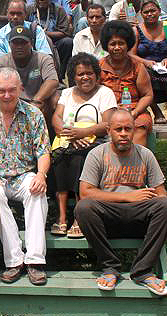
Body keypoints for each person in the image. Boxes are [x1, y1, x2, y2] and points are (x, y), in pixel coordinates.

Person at [76, 108, 167, 296]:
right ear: (109, 131)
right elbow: (85, 192)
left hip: (138, 217)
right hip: (108, 219)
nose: (123, 134)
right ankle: (110, 267)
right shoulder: (97, 154)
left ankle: (143, 271)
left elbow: (162, 194)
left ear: (133, 131)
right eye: (118, 129)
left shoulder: (145, 154)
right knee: (84, 207)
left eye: (128, 129)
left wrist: (149, 200)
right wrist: (127, 197)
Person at [0, 67, 50, 285]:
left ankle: (35, 261)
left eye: (11, 90)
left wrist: (41, 175)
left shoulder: (33, 114)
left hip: (24, 174)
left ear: (20, 88)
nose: (6, 95)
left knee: (37, 191)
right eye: (1, 90)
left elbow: (43, 151)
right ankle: (14, 261)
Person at [50, 53, 117, 238]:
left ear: (96, 74)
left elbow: (107, 125)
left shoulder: (105, 93)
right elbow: (56, 117)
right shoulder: (66, 93)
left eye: (89, 73)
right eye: (80, 74)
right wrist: (69, 134)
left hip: (97, 142)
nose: (85, 77)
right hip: (68, 139)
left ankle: (79, 217)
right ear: (73, 76)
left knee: (82, 158)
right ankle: (62, 217)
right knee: (59, 157)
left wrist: (83, 133)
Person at [130, 0, 167, 124]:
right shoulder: (137, 30)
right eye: (146, 12)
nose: (150, 14)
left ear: (159, 11)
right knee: (143, 74)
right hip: (146, 65)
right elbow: (131, 54)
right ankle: (156, 111)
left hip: (166, 63)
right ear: (141, 14)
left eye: (153, 10)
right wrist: (146, 62)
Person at [0, 25, 58, 123]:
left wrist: (36, 101)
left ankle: (51, 135)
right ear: (9, 44)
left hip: (37, 99)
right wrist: (8, 94)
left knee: (55, 99)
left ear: (31, 43)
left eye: (23, 43)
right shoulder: (0, 61)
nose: (19, 46)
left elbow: (52, 81)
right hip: (10, 99)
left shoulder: (43, 59)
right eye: (15, 43)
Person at [99, 20, 154, 147]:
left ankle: (136, 165)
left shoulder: (138, 67)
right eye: (113, 44)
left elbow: (147, 95)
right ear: (106, 46)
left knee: (139, 126)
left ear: (128, 45)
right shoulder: (99, 67)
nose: (117, 47)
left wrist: (134, 113)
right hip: (107, 114)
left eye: (121, 43)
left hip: (135, 112)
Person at [26, 0, 73, 75]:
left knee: (68, 42)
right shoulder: (29, 9)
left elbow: (64, 32)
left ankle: (60, 74)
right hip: (34, 42)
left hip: (55, 41)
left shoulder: (59, 10)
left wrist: (44, 33)